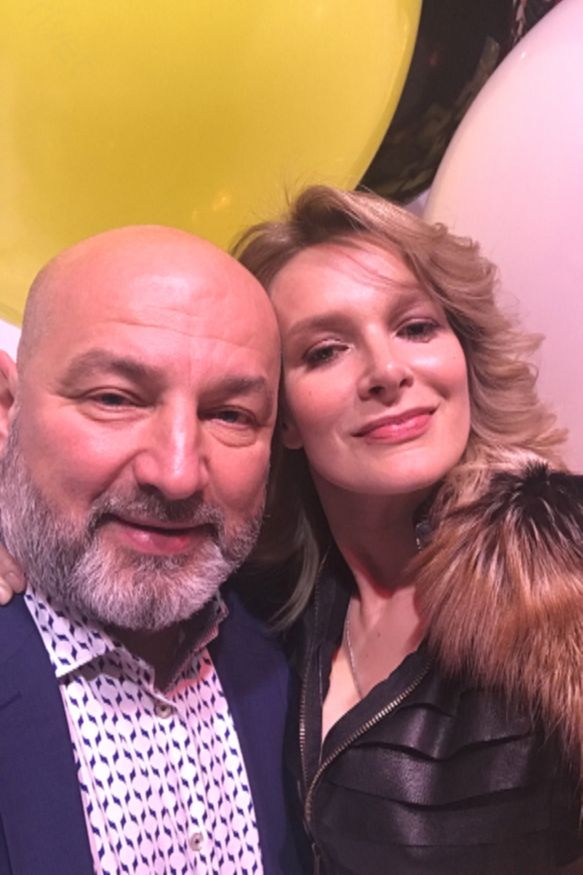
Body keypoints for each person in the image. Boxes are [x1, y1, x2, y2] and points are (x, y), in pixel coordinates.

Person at [234, 185, 583, 874]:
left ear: (463, 354)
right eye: (325, 351)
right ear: (282, 416)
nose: (387, 371)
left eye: (416, 328)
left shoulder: (564, 555)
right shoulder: (272, 600)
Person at [0, 225, 307, 875]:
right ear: (8, 404)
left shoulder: (294, 648)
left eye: (230, 414)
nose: (176, 474)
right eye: (114, 398)